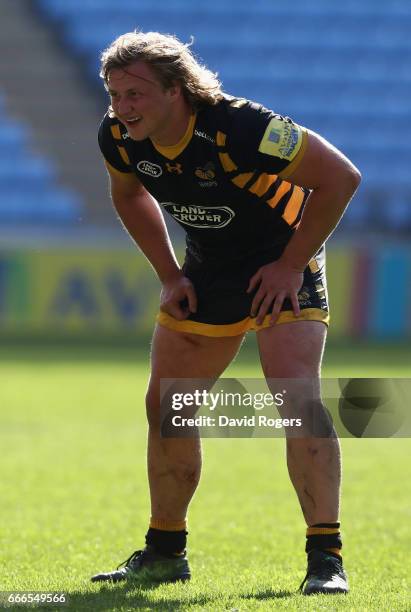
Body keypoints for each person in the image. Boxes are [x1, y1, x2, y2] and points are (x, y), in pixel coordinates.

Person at [91, 31, 361, 595]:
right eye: (115, 93)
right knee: (167, 404)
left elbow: (340, 177)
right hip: (208, 269)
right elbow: (127, 194)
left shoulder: (242, 127)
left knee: (296, 399)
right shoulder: (118, 138)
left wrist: (291, 264)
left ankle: (325, 558)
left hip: (282, 260)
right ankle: (165, 551)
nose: (122, 107)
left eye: (135, 93)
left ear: (176, 89)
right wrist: (169, 275)